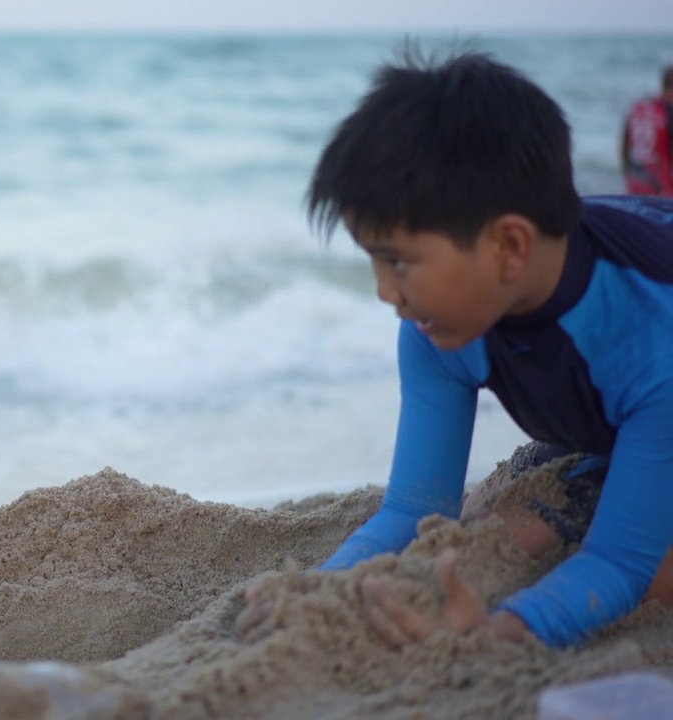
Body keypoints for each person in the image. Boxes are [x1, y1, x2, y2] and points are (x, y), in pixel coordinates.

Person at [277, 50, 673, 651]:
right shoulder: (435, 325)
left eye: (399, 262)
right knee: (517, 508)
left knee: (649, 579)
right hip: (624, 400)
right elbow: (412, 508)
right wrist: (317, 589)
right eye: (375, 261)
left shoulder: (648, 341)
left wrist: (496, 633)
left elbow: (619, 565)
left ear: (509, 247)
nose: (386, 293)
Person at [620, 65, 673, 196]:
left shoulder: (638, 108)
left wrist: (628, 176)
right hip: (663, 193)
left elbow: (624, 147)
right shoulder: (669, 111)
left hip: (636, 189)